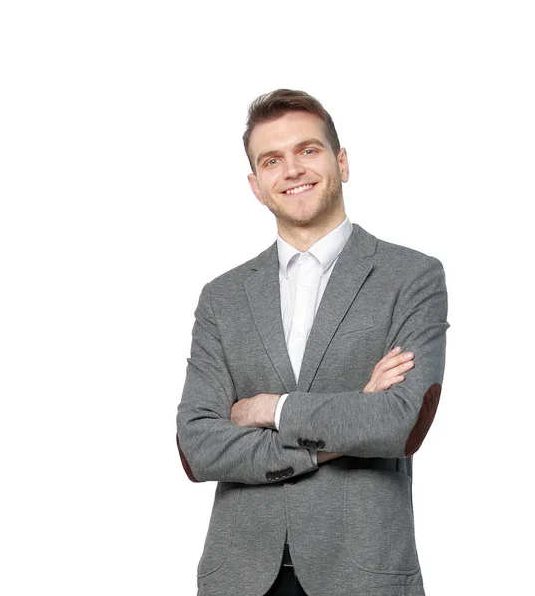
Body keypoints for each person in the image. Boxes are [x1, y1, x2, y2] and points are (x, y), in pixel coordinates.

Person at [176, 89, 450, 596]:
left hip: (363, 572)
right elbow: (198, 447)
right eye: (272, 160)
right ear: (257, 186)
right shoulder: (222, 298)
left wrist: (269, 408)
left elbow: (399, 423)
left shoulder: (411, 277)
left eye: (309, 150)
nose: (293, 169)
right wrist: (348, 423)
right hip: (240, 576)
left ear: (341, 162)